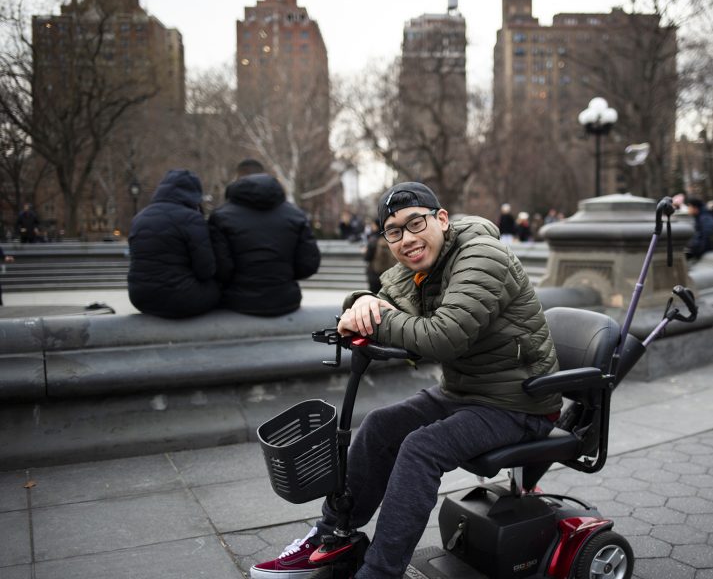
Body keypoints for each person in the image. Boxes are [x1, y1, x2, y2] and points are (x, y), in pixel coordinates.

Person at [249, 181, 560, 579]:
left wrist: (377, 317)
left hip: (520, 401)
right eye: (394, 231)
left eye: (416, 224)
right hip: (466, 391)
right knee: (379, 425)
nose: (407, 239)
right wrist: (360, 302)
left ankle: (380, 571)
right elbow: (383, 298)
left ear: (442, 219)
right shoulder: (417, 269)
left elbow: (444, 337)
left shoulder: (483, 255)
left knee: (420, 448)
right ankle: (333, 536)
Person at [209, 172, 321, 316]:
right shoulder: (296, 215)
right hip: (286, 301)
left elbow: (221, 268)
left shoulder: (220, 217)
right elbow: (308, 264)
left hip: (237, 301)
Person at [127, 169, 220, 318]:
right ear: (194, 194)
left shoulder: (139, 217)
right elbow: (206, 270)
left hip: (140, 298)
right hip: (180, 299)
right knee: (220, 288)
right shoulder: (191, 218)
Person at [363, 218, 394, 293]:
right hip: (388, 273)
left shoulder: (373, 239)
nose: (371, 227)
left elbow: (367, 257)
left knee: (375, 296)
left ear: (376, 226)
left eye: (373, 225)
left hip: (374, 273)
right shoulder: (388, 238)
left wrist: (365, 251)